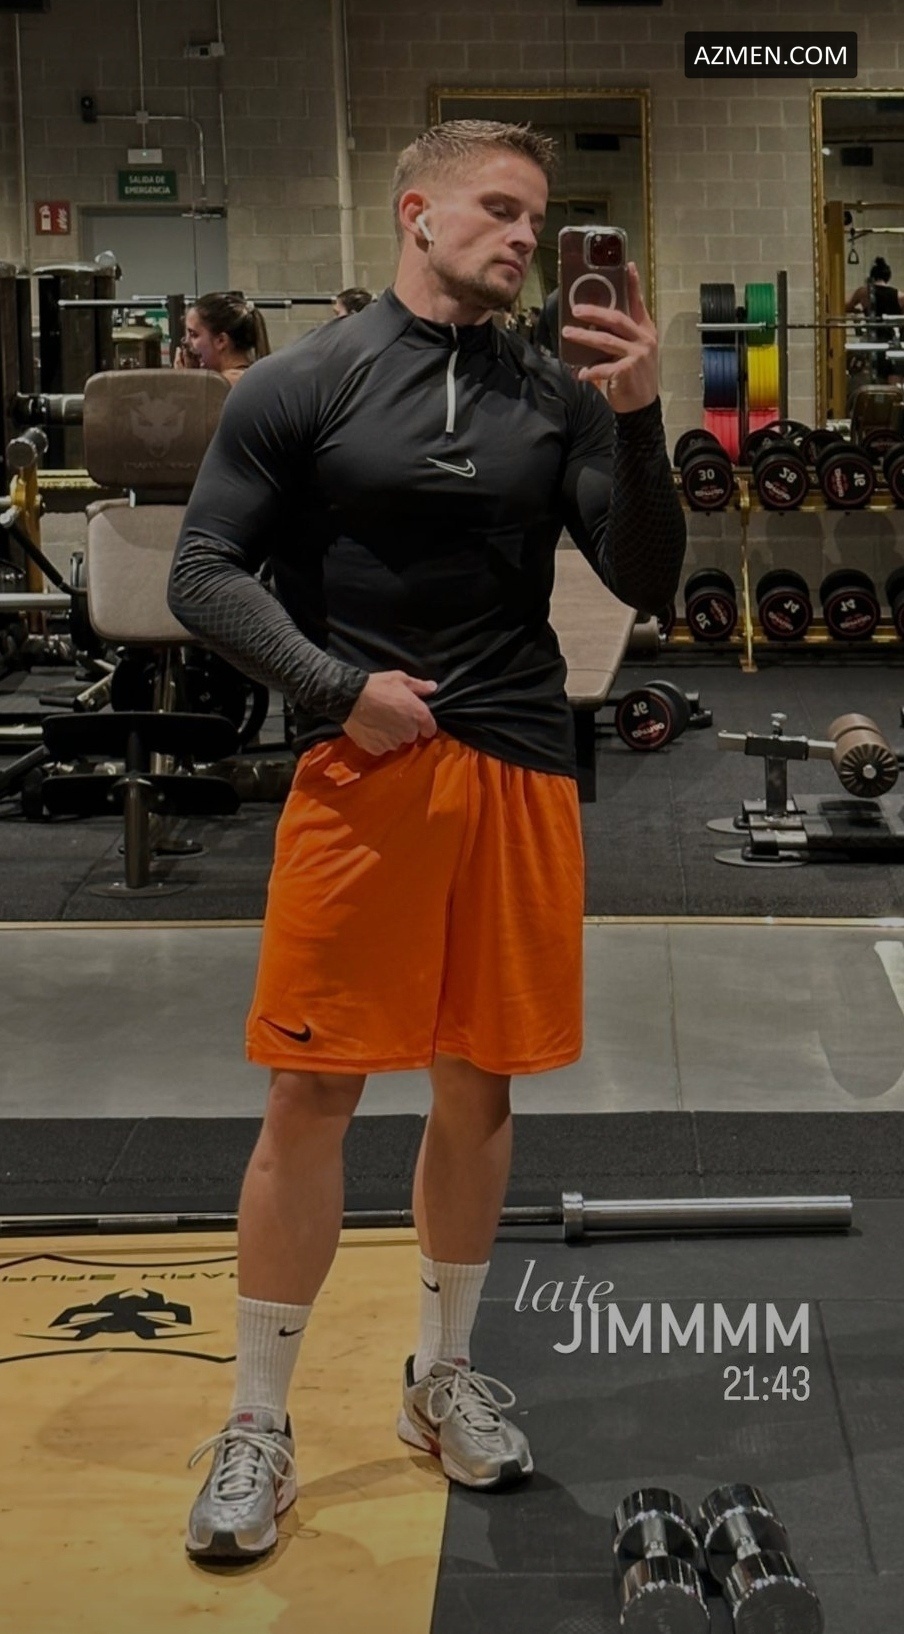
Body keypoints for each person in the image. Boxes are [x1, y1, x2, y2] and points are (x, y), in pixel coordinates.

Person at [168, 117, 686, 1563]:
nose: (526, 237)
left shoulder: (558, 391)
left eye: (538, 217)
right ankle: (258, 1420)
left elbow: (646, 574)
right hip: (364, 767)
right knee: (311, 1091)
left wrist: (643, 415)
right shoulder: (306, 378)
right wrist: (337, 687)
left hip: (518, 762)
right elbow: (204, 572)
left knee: (480, 1084)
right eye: (501, 210)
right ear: (419, 212)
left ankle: (440, 1375)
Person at [174, 291, 271, 385]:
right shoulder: (253, 376)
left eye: (194, 335)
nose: (186, 342)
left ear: (221, 341)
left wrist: (185, 381)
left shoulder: (222, 384)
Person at [845, 257, 904, 384]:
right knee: (893, 382)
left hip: (871, 340)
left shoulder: (863, 292)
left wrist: (857, 310)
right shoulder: (899, 296)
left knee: (870, 379)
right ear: (888, 277)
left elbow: (846, 306)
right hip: (890, 342)